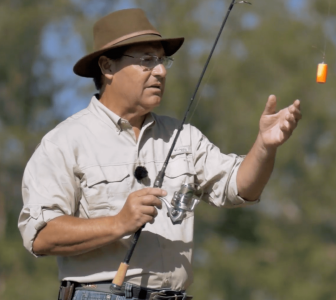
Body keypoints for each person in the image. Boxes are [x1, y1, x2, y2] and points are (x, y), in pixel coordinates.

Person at [18, 8, 302, 300]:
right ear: (106, 67)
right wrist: (118, 223)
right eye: (146, 61)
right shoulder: (64, 142)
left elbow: (240, 188)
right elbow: (40, 235)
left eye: (162, 60)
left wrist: (265, 146)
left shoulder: (184, 136)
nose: (161, 71)